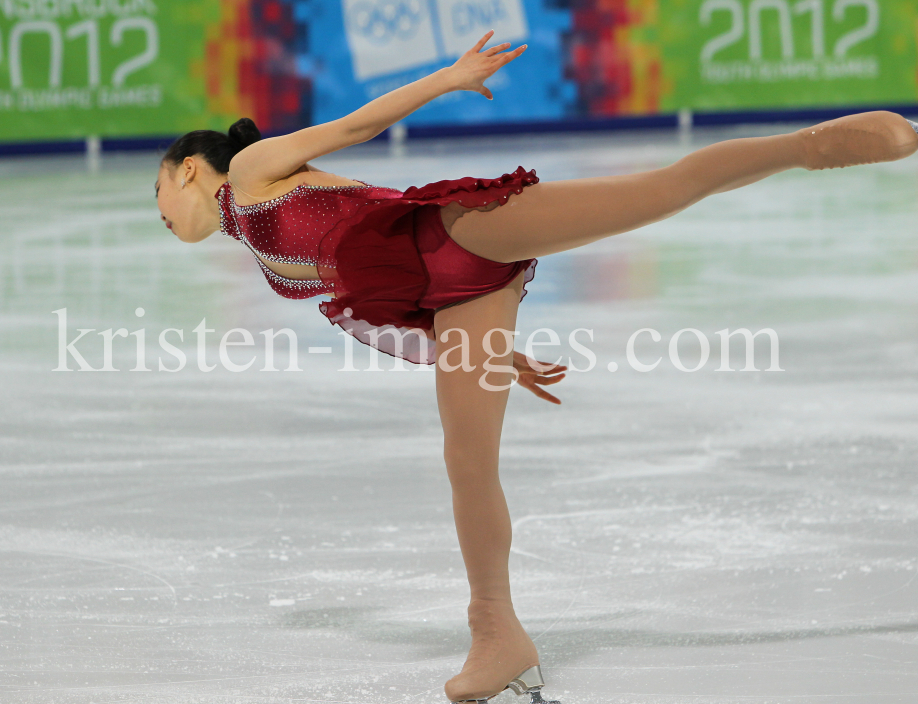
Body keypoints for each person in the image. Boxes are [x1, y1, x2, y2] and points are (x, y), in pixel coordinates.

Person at [154, 30, 918, 704]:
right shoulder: (261, 255)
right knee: (466, 461)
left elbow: (355, 126)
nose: (160, 211)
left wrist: (445, 80)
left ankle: (806, 146)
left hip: (465, 229)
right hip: (457, 300)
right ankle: (497, 631)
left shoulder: (252, 171)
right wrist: (487, 349)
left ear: (190, 168)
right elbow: (380, 290)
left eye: (159, 190)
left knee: (657, 191)